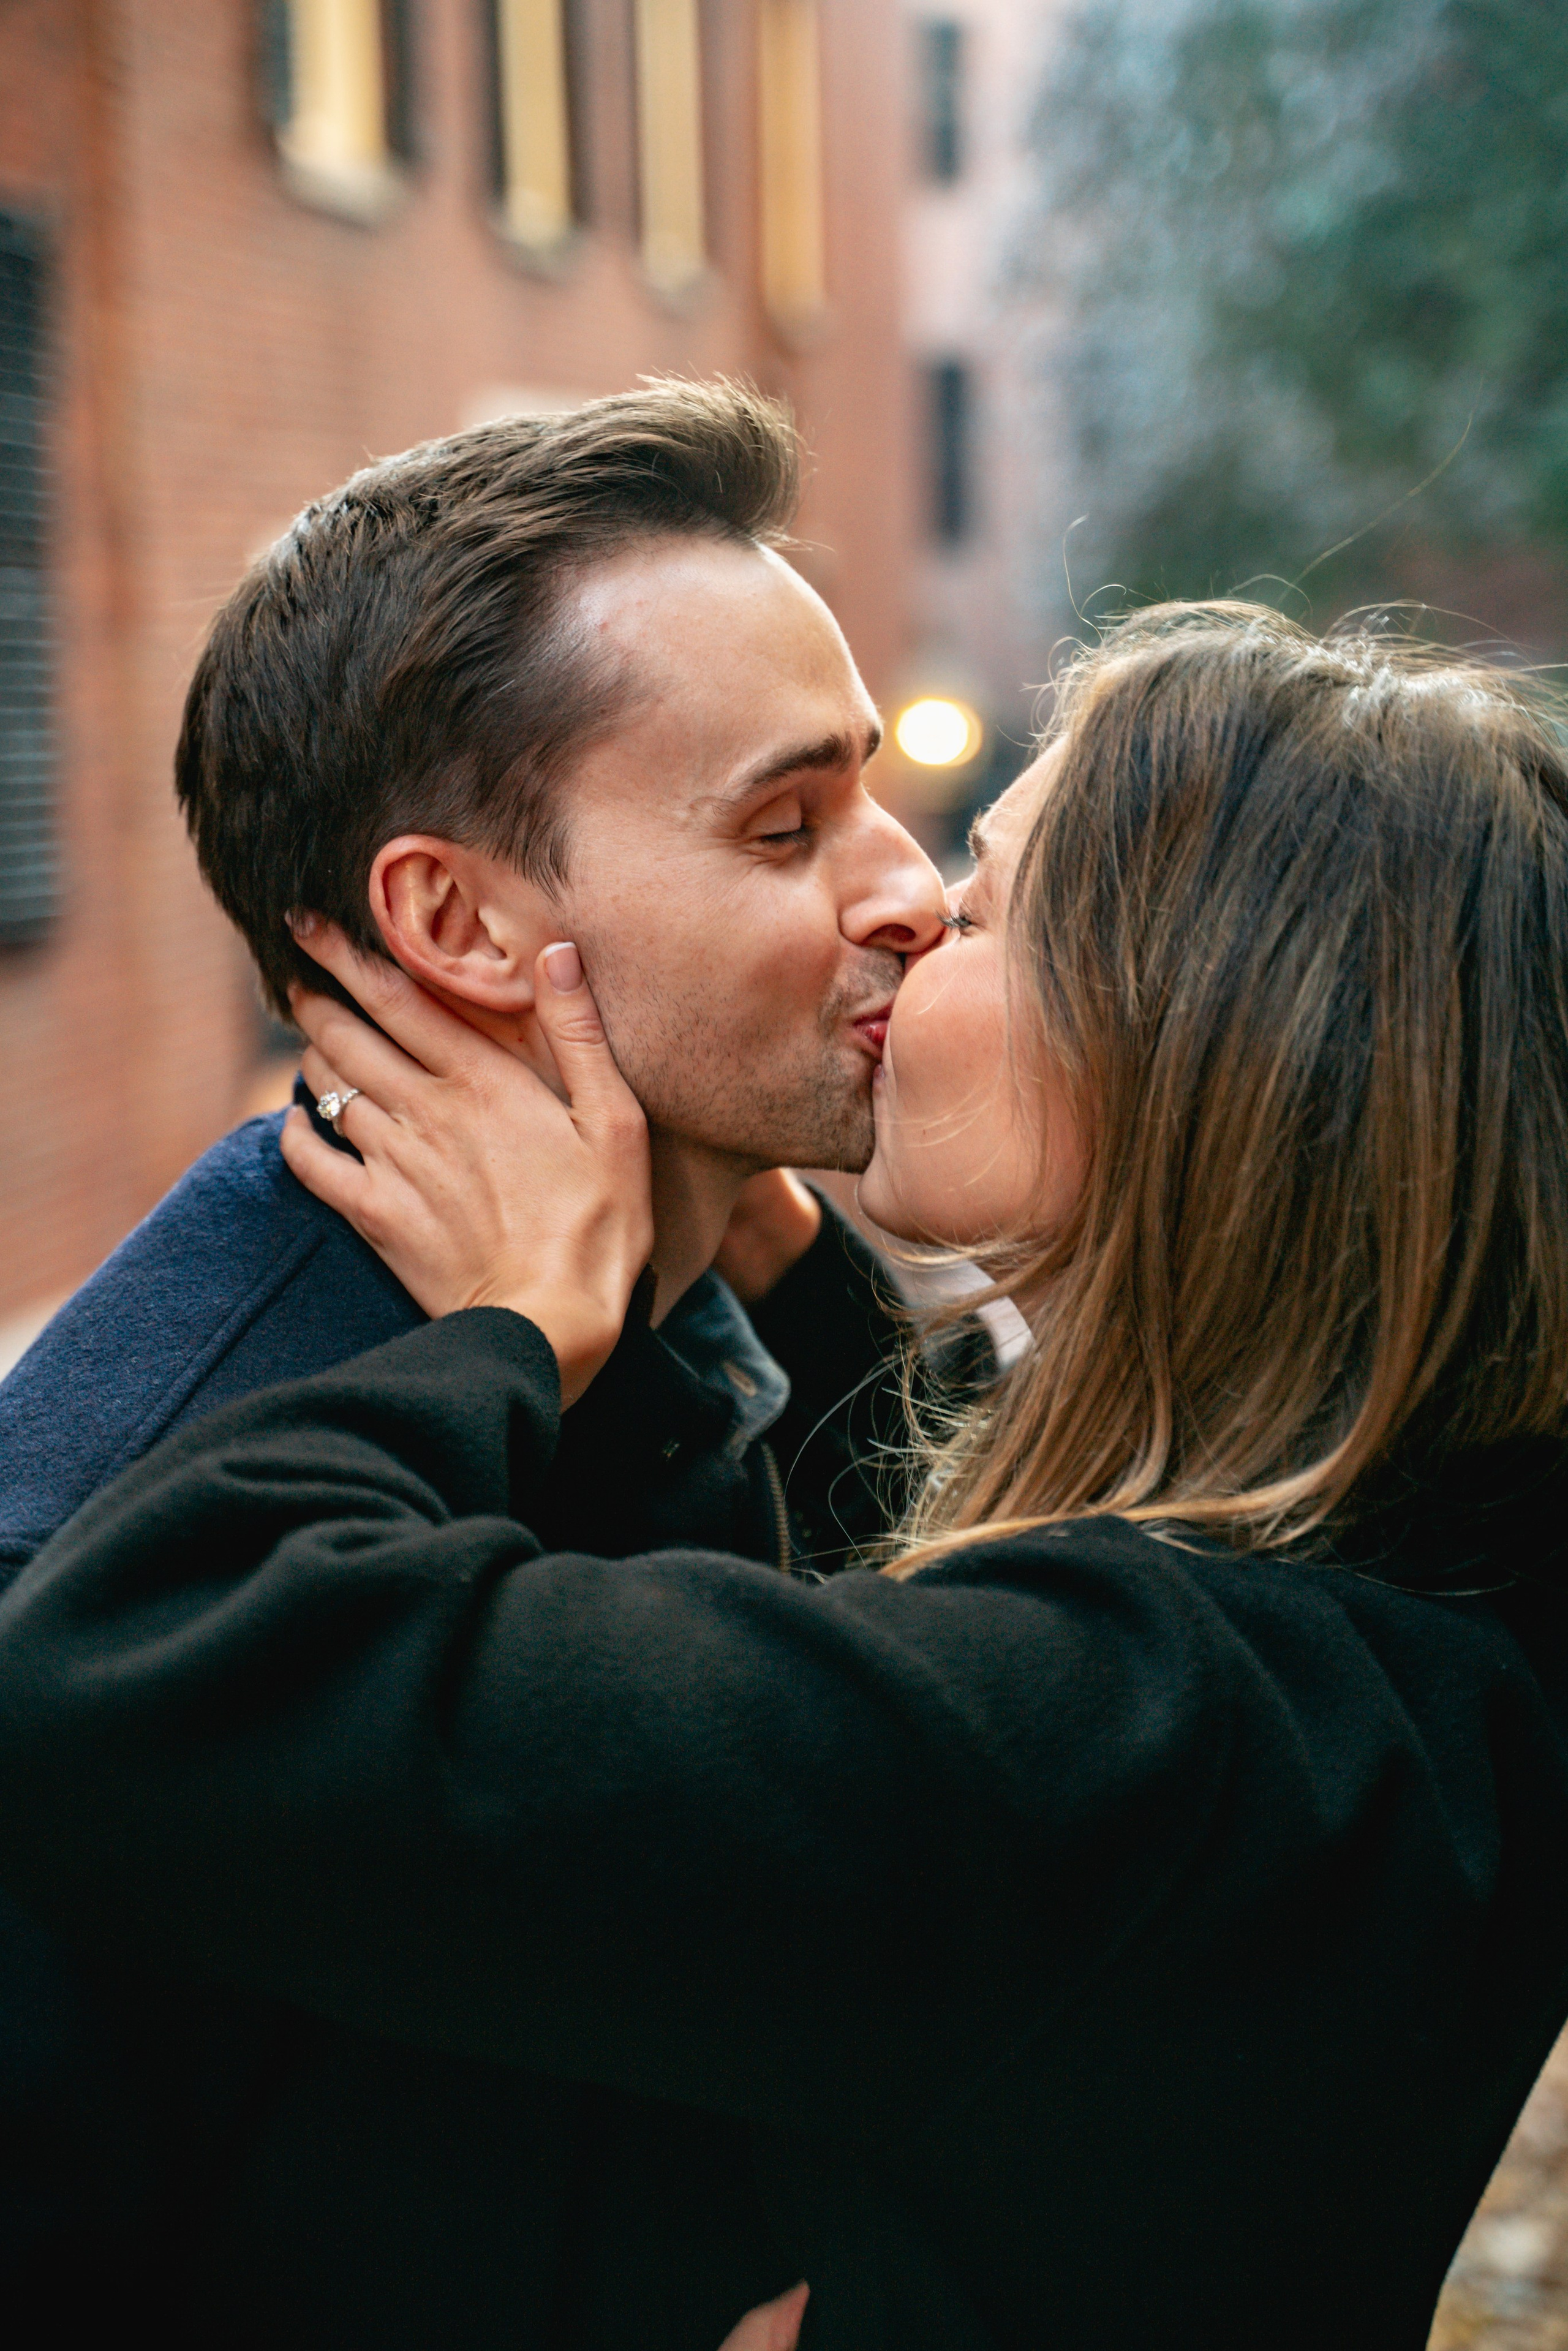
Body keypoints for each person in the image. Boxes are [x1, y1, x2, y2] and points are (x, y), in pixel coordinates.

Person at [7, 601, 1568, 2350]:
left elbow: (151, 1662)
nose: (909, 910)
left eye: (983, 907)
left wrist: (516, 1318)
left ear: (1194, 1048)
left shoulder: (1138, 1738)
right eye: (787, 826)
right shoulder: (1439, 1620)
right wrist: (778, 1256)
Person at [0, 380, 956, 2343]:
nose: (911, 893)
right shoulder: (121, 1557)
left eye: (870, 793)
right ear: (456, 921)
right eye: (786, 827)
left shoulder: (696, 1317)